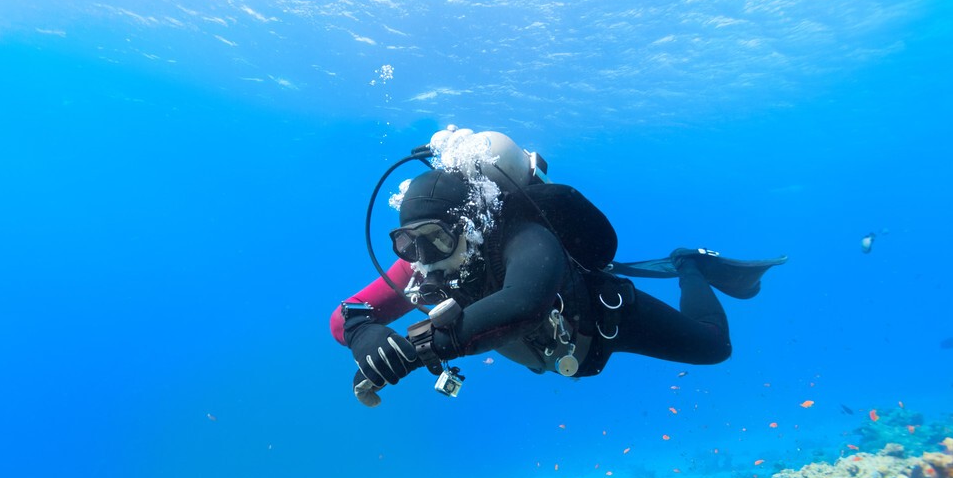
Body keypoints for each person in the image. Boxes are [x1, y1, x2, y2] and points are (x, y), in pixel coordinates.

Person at [330, 127, 785, 406]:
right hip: (551, 353)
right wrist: (362, 333)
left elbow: (525, 302)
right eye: (408, 244)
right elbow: (344, 314)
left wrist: (421, 349)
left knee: (714, 346)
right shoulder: (423, 265)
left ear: (471, 226)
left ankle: (688, 265)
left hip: (605, 323)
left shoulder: (525, 237)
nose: (423, 260)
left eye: (436, 240)